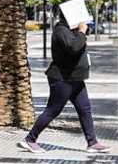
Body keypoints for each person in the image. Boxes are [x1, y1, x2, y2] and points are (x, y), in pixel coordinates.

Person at [18, 10, 110, 154]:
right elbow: (74, 48)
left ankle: (92, 142)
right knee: (53, 110)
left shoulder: (71, 29)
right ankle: (30, 139)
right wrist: (81, 32)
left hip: (76, 78)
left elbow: (80, 41)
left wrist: (82, 31)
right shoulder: (61, 30)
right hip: (62, 78)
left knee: (84, 109)